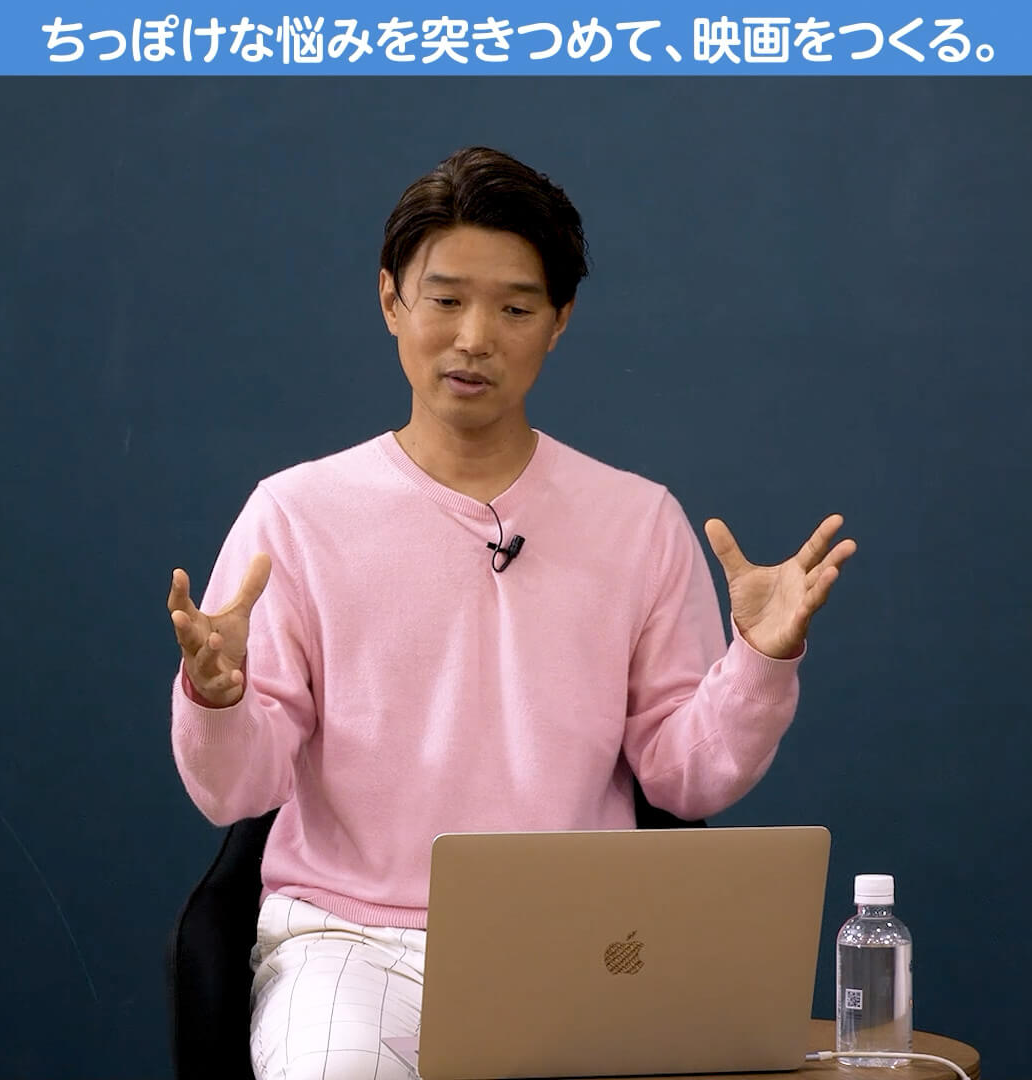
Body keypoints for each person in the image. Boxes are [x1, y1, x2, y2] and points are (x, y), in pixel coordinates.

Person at [167, 146, 856, 1080]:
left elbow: (686, 779)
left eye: (516, 309)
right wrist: (218, 699)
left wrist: (759, 663)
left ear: (560, 321)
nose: (474, 337)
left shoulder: (638, 520)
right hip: (352, 942)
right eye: (445, 299)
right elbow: (233, 793)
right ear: (390, 301)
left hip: (585, 944)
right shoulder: (294, 514)